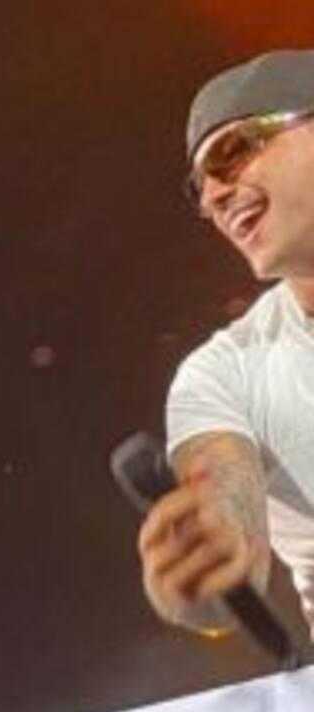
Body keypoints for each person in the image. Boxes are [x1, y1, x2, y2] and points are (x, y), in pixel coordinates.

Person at [137, 49, 314, 636]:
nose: (214, 195)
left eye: (232, 151)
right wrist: (207, 562)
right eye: (200, 186)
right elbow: (224, 498)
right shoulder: (224, 375)